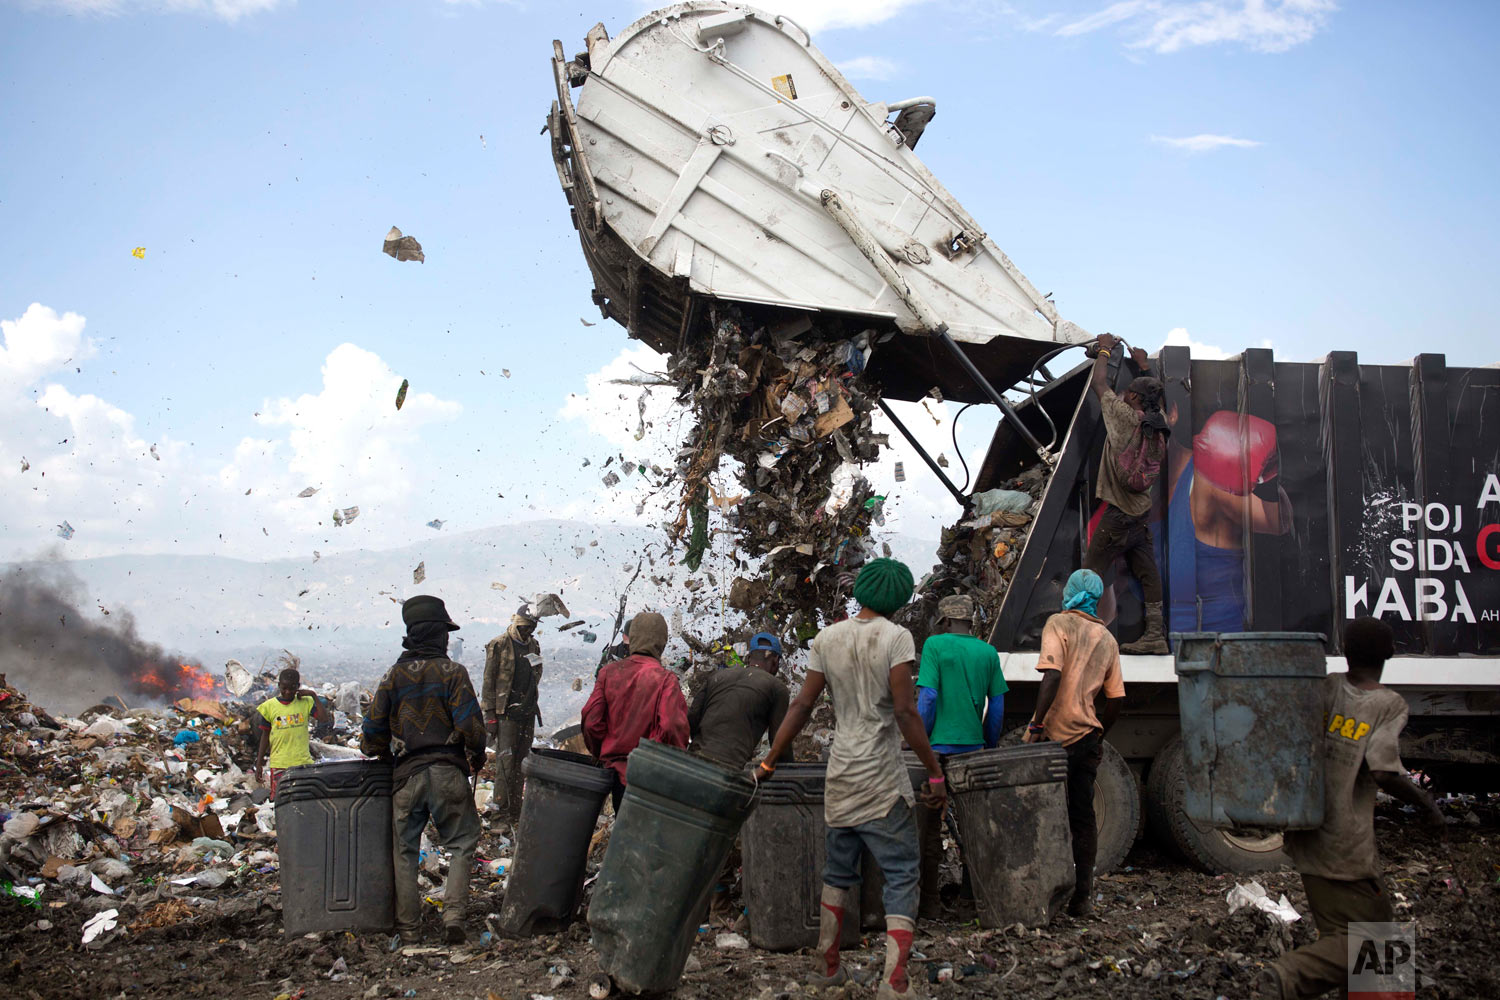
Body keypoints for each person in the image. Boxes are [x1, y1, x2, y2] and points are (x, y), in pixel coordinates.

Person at [760, 558, 946, 1000]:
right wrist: (935, 772)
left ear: (859, 590)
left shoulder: (828, 637)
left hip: (840, 776)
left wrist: (768, 761)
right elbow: (904, 711)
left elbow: (802, 706)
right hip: (881, 779)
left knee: (838, 873)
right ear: (900, 599)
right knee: (901, 874)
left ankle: (828, 967)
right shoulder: (896, 637)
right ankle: (895, 983)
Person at [1263, 617, 1444, 999]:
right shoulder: (1387, 704)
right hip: (1347, 848)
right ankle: (1289, 975)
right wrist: (1428, 805)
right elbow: (1383, 769)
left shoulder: (1328, 688)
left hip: (1307, 840)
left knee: (1342, 941)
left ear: (1344, 651)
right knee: (1382, 944)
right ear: (1391, 654)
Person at [361, 595, 487, 946]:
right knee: (462, 842)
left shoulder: (392, 676)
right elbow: (473, 729)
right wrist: (476, 754)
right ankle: (454, 918)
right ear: (436, 635)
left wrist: (385, 755)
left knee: (404, 851)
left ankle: (410, 931)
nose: (448, 639)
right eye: (445, 632)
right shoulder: (453, 673)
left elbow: (371, 735)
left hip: (406, 777)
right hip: (447, 772)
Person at [1024, 569, 1125, 917]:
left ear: (1071, 593)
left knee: (1042, 814)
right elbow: (1115, 700)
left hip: (1054, 738)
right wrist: (1099, 735)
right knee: (1082, 819)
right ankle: (1082, 897)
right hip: (1087, 738)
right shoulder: (1107, 639)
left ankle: (1043, 896)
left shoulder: (1059, 624)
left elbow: (1052, 675)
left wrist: (1036, 724)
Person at [1153, 407, 1292, 633]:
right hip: (1160, 655)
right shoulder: (1131, 498)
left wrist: (1267, 481)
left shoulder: (1206, 480)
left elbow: (1277, 521)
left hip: (1218, 651)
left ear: (1172, 414)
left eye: (1149, 413)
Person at [914, 594, 1007, 917]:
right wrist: (988, 745)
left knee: (929, 830)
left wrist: (919, 739)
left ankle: (929, 903)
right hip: (973, 751)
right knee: (974, 829)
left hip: (936, 753)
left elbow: (927, 698)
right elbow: (996, 707)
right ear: (970, 621)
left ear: (943, 620)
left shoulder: (935, 647)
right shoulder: (988, 652)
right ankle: (970, 900)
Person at [1081, 332, 1170, 654]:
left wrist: (1104, 348)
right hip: (1140, 513)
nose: (1123, 394)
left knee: (1089, 573)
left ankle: (1080, 635)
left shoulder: (1124, 418)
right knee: (1148, 573)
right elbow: (1156, 400)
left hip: (1118, 512)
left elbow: (1099, 383)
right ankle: (1156, 636)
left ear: (1132, 398)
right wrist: (1145, 368)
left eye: (1128, 393)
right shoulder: (1159, 427)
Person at [581, 611, 689, 811]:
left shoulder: (608, 673)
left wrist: (601, 752)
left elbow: (591, 721)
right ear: (662, 643)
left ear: (632, 639)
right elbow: (672, 726)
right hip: (649, 777)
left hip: (614, 775)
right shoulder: (666, 680)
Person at [688, 632, 791, 770]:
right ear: (776, 660)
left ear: (749, 658)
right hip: (729, 768)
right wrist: (792, 772)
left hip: (693, 760)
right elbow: (779, 742)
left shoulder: (717, 676)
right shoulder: (777, 688)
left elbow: (693, 717)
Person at [482, 607, 542, 824]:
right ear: (517, 624)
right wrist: (490, 716)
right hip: (505, 714)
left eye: (532, 628)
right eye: (526, 627)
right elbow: (488, 682)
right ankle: (500, 814)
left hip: (526, 713)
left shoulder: (533, 645)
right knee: (505, 765)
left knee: (522, 763)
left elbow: (537, 672)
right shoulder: (499, 644)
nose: (529, 631)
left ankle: (515, 812)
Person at [253, 668, 328, 800]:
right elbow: (265, 736)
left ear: (298, 687)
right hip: (279, 764)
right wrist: (259, 764)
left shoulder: (306, 702)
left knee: (304, 801)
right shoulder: (269, 707)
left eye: (292, 688)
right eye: (284, 688)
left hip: (303, 763)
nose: (287, 692)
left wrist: (313, 695)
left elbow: (324, 719)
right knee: (281, 801)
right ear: (279, 686)